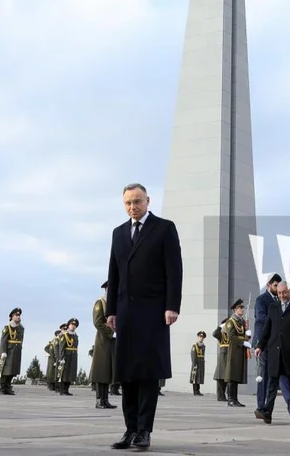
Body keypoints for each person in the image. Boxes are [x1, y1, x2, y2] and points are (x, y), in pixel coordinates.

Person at [105, 182, 183, 451]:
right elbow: (113, 274)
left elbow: (174, 271)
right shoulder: (118, 233)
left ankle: (144, 430)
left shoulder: (164, 228)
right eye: (128, 203)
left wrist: (172, 306)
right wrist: (111, 310)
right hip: (125, 313)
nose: (132, 207)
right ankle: (130, 429)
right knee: (126, 373)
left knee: (148, 372)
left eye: (137, 201)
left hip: (153, 312)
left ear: (148, 200)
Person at [252, 281, 290, 424]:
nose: (282, 296)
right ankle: (267, 412)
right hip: (275, 352)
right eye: (279, 293)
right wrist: (260, 345)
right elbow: (267, 328)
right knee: (272, 383)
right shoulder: (273, 307)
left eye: (284, 292)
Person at [0, 308, 24, 397]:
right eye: (16, 315)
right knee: (6, 370)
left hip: (16, 351)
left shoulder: (21, 328)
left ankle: (8, 387)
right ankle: (3, 388)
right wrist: (3, 352)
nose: (18, 317)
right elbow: (3, 341)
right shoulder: (7, 327)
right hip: (9, 351)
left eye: (19, 315)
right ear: (12, 317)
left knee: (13, 370)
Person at [190, 331, 206, 396]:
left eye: (202, 337)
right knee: (194, 377)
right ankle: (195, 391)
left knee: (199, 377)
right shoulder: (194, 346)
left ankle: (198, 391)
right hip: (196, 363)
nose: (201, 338)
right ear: (198, 337)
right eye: (200, 337)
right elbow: (193, 355)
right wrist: (194, 364)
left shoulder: (203, 346)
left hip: (201, 364)